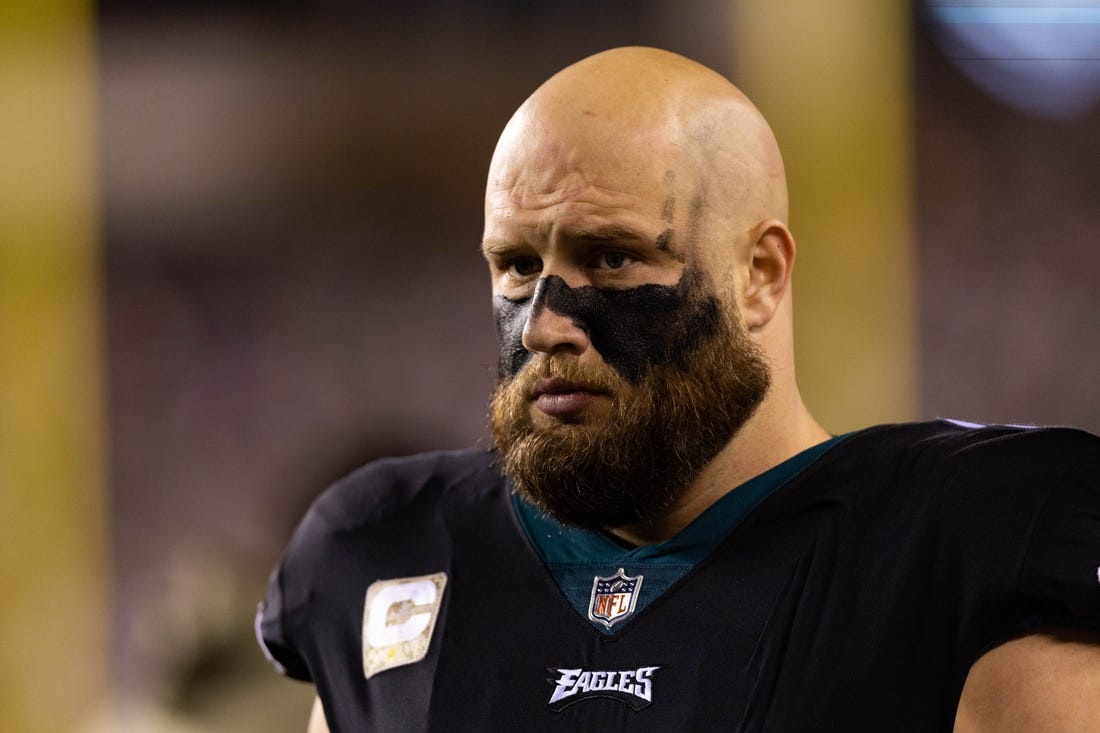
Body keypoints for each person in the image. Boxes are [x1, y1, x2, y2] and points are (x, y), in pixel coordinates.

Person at [257, 47, 1100, 731]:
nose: (545, 323)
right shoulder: (388, 552)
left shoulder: (969, 545)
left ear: (759, 274)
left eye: (612, 258)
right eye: (517, 265)